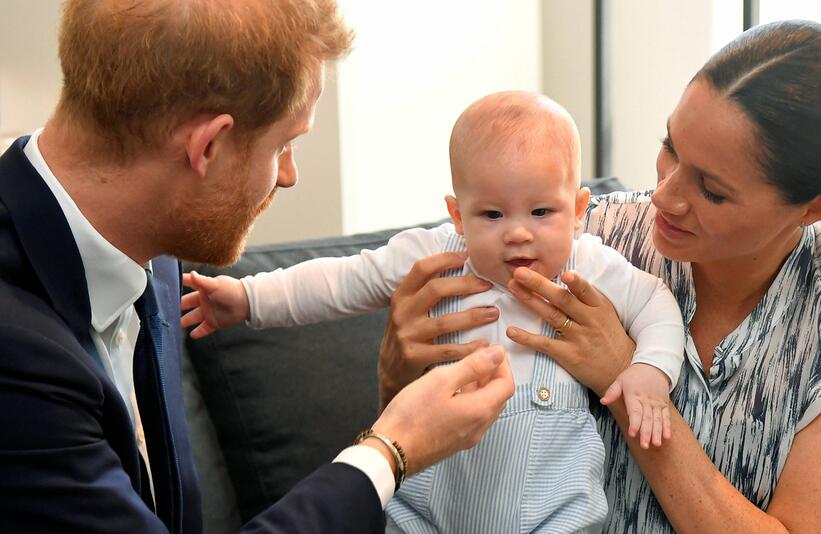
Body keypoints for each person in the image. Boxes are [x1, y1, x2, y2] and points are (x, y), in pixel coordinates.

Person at [376, 20, 821, 533]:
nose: (665, 197)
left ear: (814, 208)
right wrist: (398, 369)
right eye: (670, 147)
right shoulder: (588, 236)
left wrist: (625, 380)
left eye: (711, 190)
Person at [0, 1, 515, 533]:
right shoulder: (16, 352)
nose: (288, 175)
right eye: (285, 144)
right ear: (209, 146)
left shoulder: (153, 244)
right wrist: (391, 451)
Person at [179, 90, 686, 533]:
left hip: (553, 513)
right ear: (456, 214)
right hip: (431, 509)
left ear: (578, 211)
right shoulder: (434, 256)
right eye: (491, 213)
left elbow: (657, 306)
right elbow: (341, 280)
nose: (517, 232)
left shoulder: (590, 264)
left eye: (541, 212)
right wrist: (248, 300)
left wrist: (648, 371)